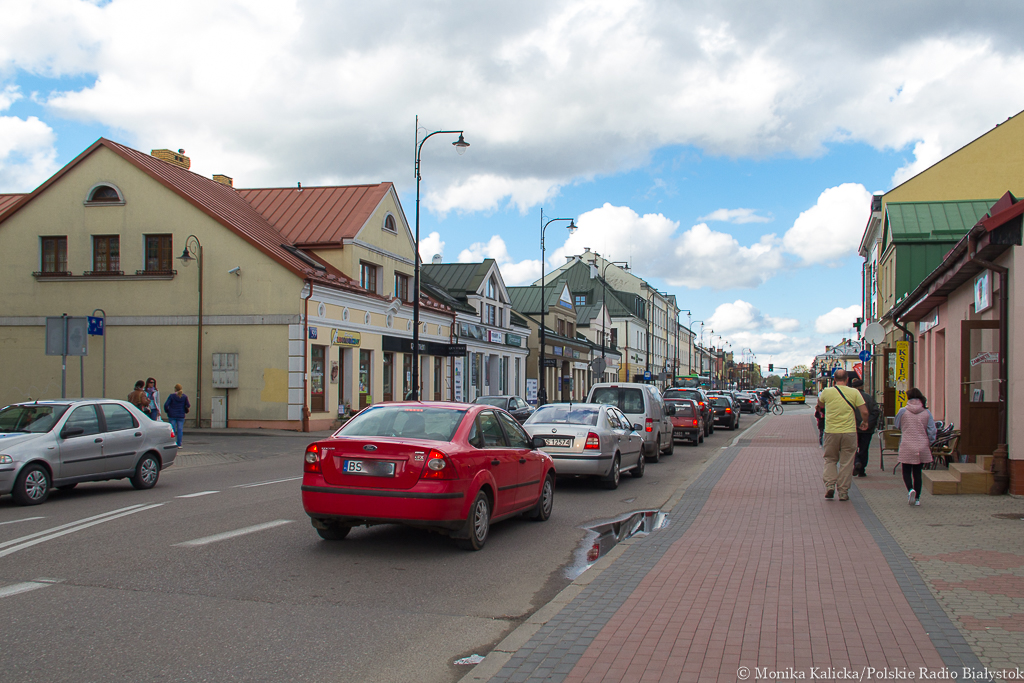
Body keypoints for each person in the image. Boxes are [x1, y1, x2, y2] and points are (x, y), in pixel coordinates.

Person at [816, 369, 868, 501]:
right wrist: (864, 422)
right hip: (849, 432)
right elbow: (865, 412)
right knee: (846, 462)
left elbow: (820, 405)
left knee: (830, 459)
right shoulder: (854, 392)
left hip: (831, 431)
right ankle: (843, 492)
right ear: (847, 380)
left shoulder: (827, 392)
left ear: (834, 380)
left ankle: (830, 486)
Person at [894, 388, 936, 506]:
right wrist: (930, 442)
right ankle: (917, 498)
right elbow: (932, 430)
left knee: (906, 470)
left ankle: (910, 490)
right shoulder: (926, 412)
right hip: (922, 445)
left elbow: (897, 425)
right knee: (917, 472)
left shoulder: (903, 411)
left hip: (907, 444)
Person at [849, 377, 880, 477]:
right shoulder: (869, 398)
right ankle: (862, 470)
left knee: (852, 448)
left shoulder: (850, 398)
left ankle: (857, 461)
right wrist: (868, 423)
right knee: (864, 448)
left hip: (853, 427)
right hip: (867, 429)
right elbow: (875, 412)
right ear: (862, 386)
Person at [163, 384, 191, 448]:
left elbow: (166, 405)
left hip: (172, 415)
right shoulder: (184, 397)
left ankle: (172, 443)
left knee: (172, 430)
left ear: (175, 389)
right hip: (181, 415)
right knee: (180, 429)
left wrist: (167, 411)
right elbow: (188, 405)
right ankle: (179, 444)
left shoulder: (172, 396)